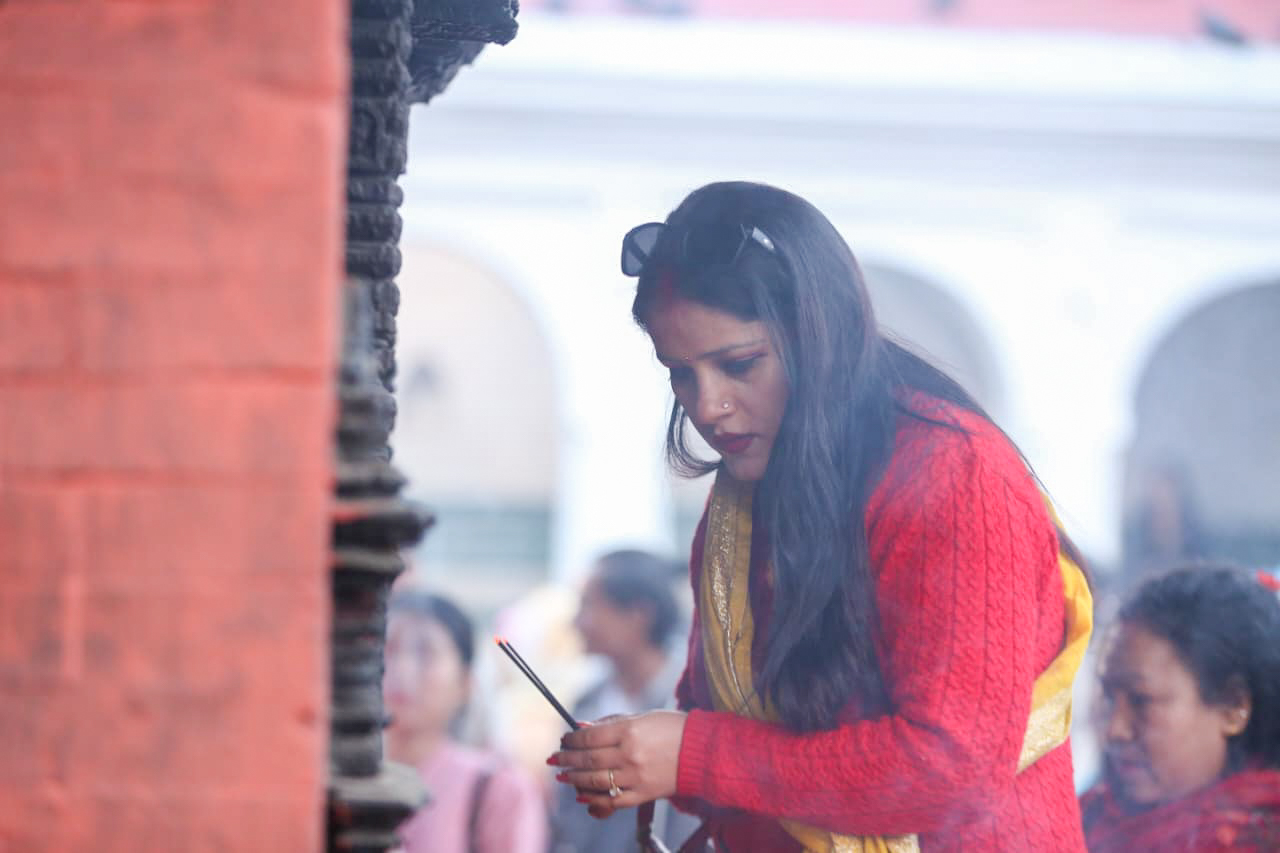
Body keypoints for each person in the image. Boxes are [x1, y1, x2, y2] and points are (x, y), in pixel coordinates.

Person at [547, 181, 1093, 851]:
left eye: (739, 364)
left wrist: (692, 755)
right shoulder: (745, 496)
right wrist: (640, 756)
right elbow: (726, 733)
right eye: (680, 373)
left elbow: (949, 769)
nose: (707, 406)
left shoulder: (956, 473)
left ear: (819, 338)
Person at [1079, 566, 1280, 851]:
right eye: (1109, 698)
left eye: (1141, 701)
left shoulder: (1262, 839)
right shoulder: (1087, 818)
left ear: (1233, 707)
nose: (1115, 730)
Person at [550, 550, 703, 853]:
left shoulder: (692, 704)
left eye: (589, 605)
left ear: (638, 615)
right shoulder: (586, 704)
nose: (577, 622)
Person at [384, 589, 549, 853]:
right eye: (389, 649)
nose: (401, 670)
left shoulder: (497, 789)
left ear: (465, 682)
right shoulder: (339, 778)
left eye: (426, 653)